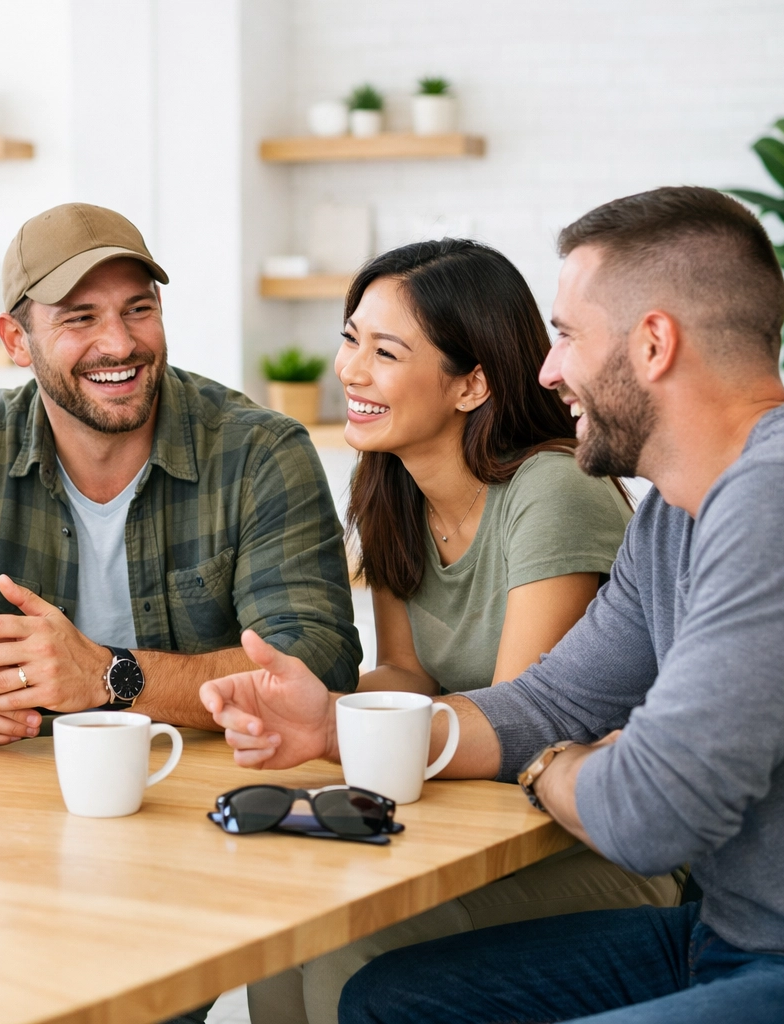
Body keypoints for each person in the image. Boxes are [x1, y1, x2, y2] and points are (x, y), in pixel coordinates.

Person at [201, 186, 784, 1024]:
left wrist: (548, 766)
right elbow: (553, 701)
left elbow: (649, 810)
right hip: (723, 936)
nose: (547, 369)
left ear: (653, 344)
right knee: (388, 997)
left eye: (566, 335)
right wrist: (333, 729)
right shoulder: (677, 512)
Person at [248, 240, 678, 1024]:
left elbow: (521, 722)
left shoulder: (552, 492)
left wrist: (345, 735)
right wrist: (321, 706)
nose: (350, 370)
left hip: (585, 849)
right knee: (285, 929)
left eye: (386, 351)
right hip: (475, 828)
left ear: (472, 382)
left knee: (349, 946)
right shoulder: (391, 489)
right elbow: (408, 674)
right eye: (350, 339)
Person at [0, 201, 361, 744]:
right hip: (20, 792)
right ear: (15, 341)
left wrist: (104, 674)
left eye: (138, 309)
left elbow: (315, 657)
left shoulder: (261, 451)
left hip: (210, 785)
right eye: (80, 317)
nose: (119, 344)